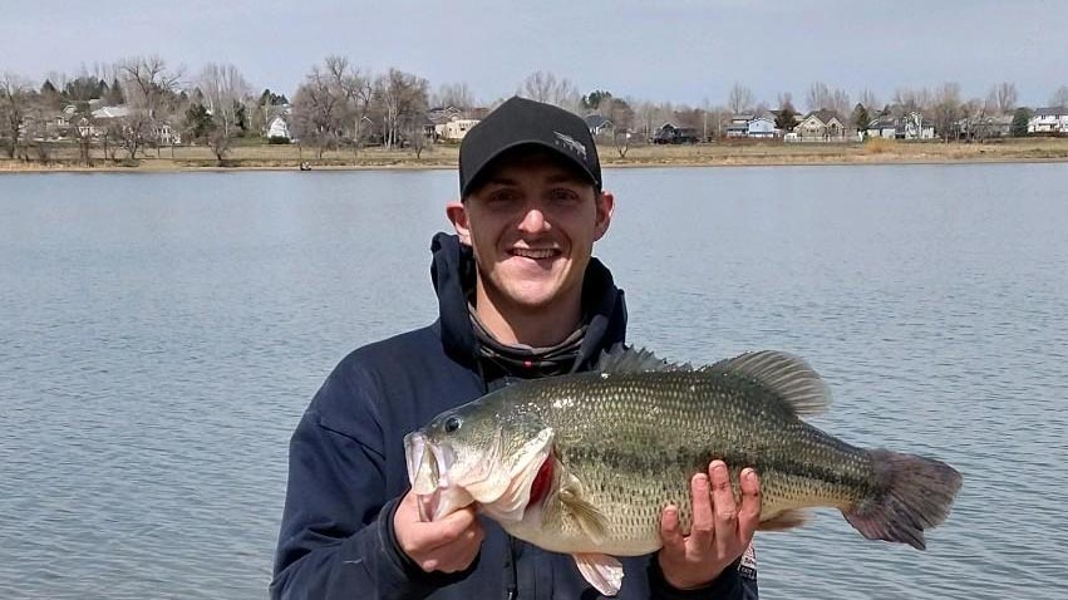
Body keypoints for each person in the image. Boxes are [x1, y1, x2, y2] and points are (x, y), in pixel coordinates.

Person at [271, 96, 761, 600]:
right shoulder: (368, 393)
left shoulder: (680, 409)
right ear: (463, 220)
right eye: (504, 197)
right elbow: (295, 589)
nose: (533, 223)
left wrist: (698, 583)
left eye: (562, 196)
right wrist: (392, 553)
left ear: (602, 214)